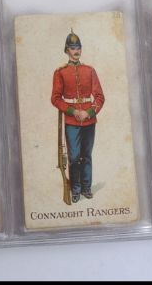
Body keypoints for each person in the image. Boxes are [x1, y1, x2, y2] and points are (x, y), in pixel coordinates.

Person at [50, 32, 105, 203]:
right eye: (73, 48)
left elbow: (99, 96)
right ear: (67, 50)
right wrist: (72, 111)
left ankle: (86, 188)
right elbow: (55, 98)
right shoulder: (60, 72)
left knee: (86, 155)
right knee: (74, 157)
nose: (76, 51)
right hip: (72, 121)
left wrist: (89, 112)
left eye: (78, 48)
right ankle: (75, 189)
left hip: (89, 120)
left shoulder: (90, 70)